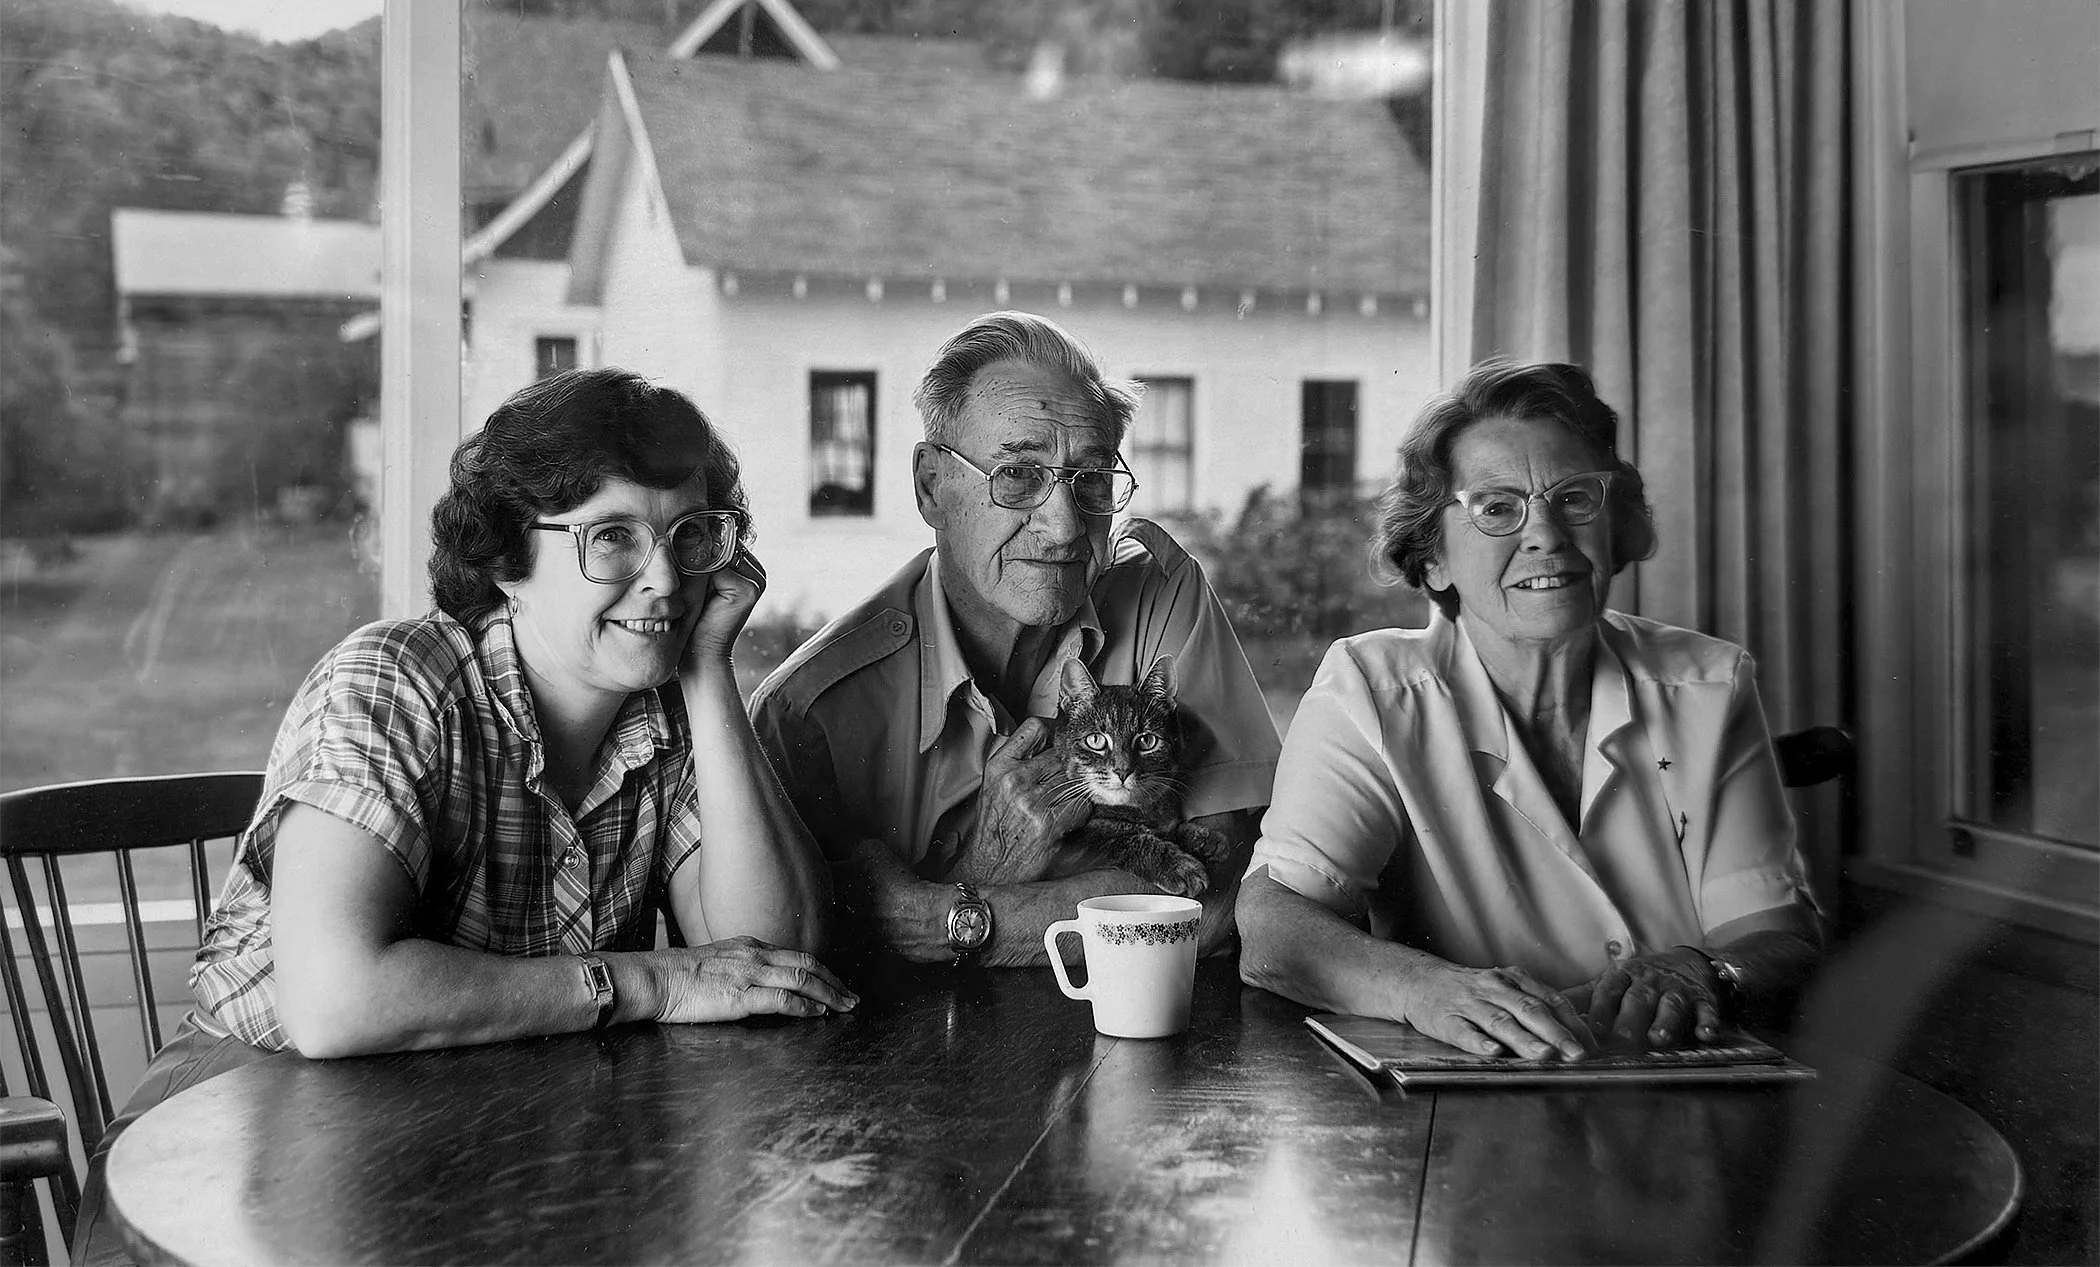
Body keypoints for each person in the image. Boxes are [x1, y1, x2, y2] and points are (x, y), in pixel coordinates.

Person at [72, 368, 851, 1263]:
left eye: (690, 535)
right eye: (612, 538)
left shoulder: (670, 713)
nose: (666, 579)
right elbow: (336, 1001)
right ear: (507, 563)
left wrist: (710, 666)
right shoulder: (393, 680)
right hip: (236, 1147)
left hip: (478, 1134)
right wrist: (655, 980)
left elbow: (773, 954)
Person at [1236, 359, 1821, 1060]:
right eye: (1495, 506)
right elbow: (1272, 930)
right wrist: (1428, 991)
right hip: (1467, 1118)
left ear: (1618, 529)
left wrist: (1709, 971)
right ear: (1433, 560)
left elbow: (1780, 936)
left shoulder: (1708, 682)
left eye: (1575, 498)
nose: (1544, 532)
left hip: (1681, 1088)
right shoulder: (1370, 689)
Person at [750, 312, 1279, 966]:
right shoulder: (807, 714)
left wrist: (934, 918)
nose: (1062, 526)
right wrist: (994, 865)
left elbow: (1222, 895)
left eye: (1089, 479)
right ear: (932, 487)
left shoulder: (1161, 594)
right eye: (1018, 475)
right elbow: (803, 961)